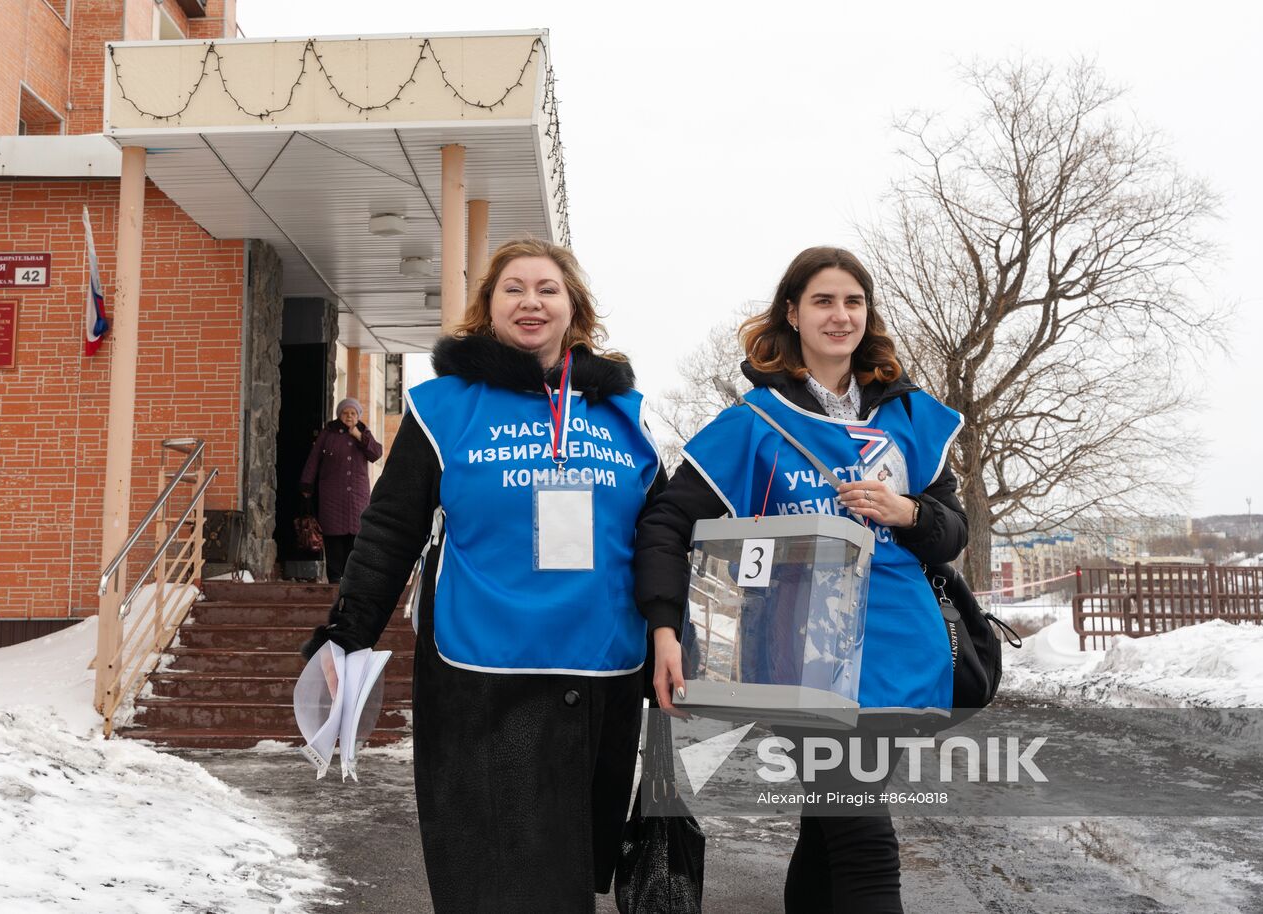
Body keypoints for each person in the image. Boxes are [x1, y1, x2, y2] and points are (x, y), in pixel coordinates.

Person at [300, 238, 664, 913]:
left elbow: (662, 532)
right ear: (489, 308)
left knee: (570, 878)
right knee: (498, 880)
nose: (532, 301)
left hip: (601, 672)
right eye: (514, 289)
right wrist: (350, 631)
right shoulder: (443, 409)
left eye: (548, 288)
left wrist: (675, 636)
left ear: (573, 306)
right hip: (484, 676)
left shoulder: (623, 412)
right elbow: (390, 528)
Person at [634, 246, 968, 914]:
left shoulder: (909, 419)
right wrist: (665, 628)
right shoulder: (754, 424)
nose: (840, 315)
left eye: (853, 301)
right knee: (866, 841)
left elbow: (953, 532)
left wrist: (907, 511)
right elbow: (666, 523)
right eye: (822, 300)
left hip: (904, 659)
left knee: (829, 833)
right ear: (793, 313)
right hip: (801, 666)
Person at [300, 397, 383, 583]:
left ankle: (352, 577)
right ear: (340, 415)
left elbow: (376, 454)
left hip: (357, 495)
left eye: (353, 413)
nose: (349, 416)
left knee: (356, 536)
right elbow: (314, 459)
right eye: (346, 413)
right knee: (333, 535)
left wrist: (359, 436)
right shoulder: (328, 433)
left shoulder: (363, 432)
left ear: (358, 416)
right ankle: (335, 577)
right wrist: (306, 485)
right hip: (332, 493)